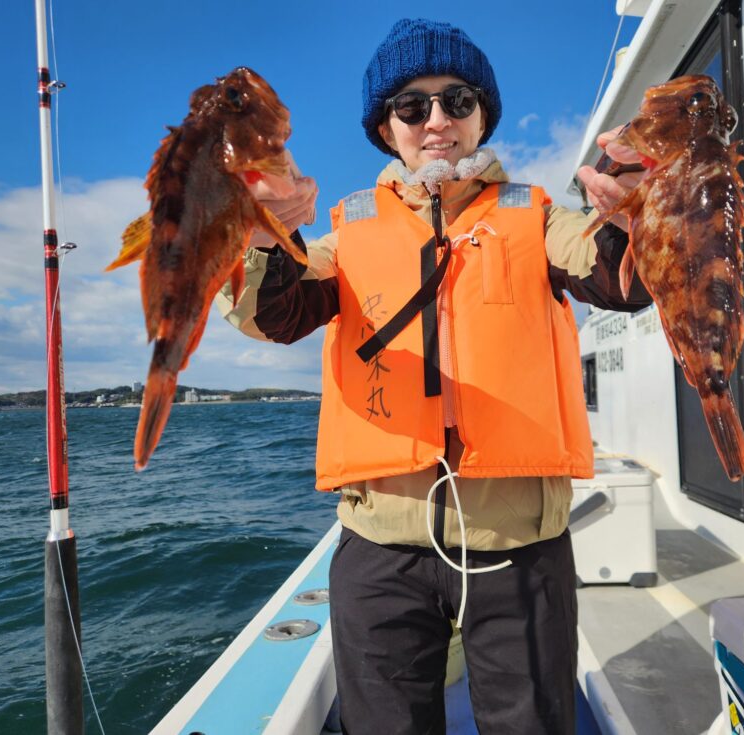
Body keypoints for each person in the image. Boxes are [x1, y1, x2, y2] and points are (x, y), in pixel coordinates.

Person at [217, 18, 650, 735]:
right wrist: (258, 242)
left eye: (458, 100)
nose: (437, 121)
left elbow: (618, 276)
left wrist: (641, 212)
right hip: (381, 546)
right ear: (385, 128)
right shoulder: (346, 233)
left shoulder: (538, 217)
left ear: (483, 116)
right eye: (412, 107)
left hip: (517, 545)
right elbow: (276, 313)